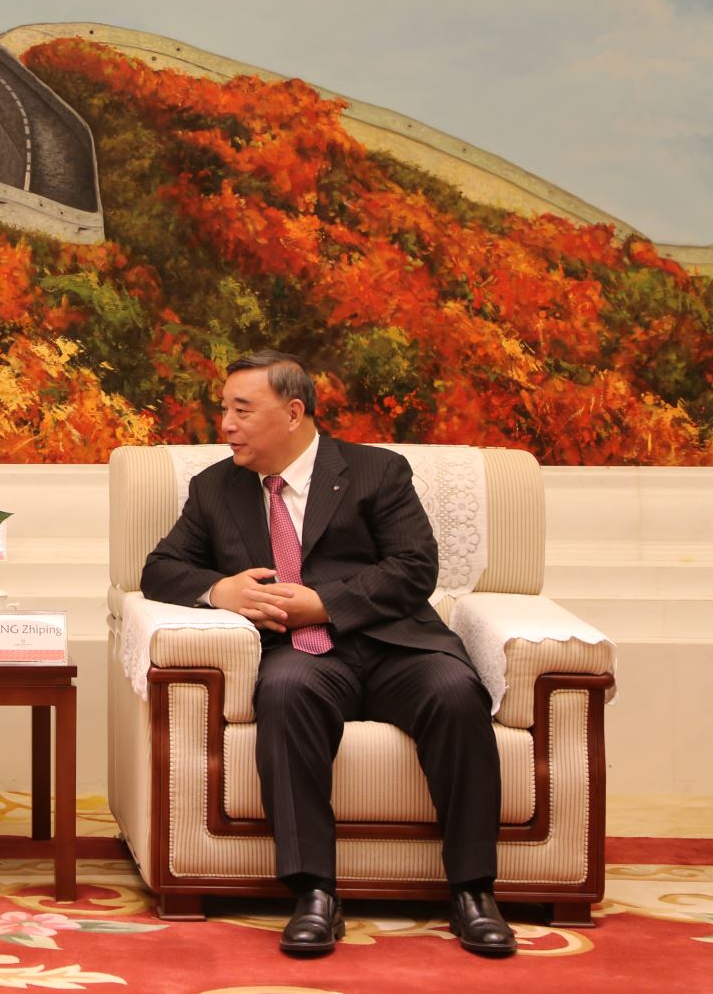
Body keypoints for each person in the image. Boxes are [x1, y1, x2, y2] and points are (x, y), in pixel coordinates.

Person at [140, 350, 516, 959]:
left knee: (454, 693)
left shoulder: (376, 471)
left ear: (293, 413)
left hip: (395, 643)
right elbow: (160, 569)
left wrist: (325, 603)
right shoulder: (216, 488)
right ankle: (314, 892)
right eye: (224, 410)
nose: (226, 425)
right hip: (302, 656)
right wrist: (222, 590)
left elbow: (414, 567)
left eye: (242, 410)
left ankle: (473, 891)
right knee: (285, 692)